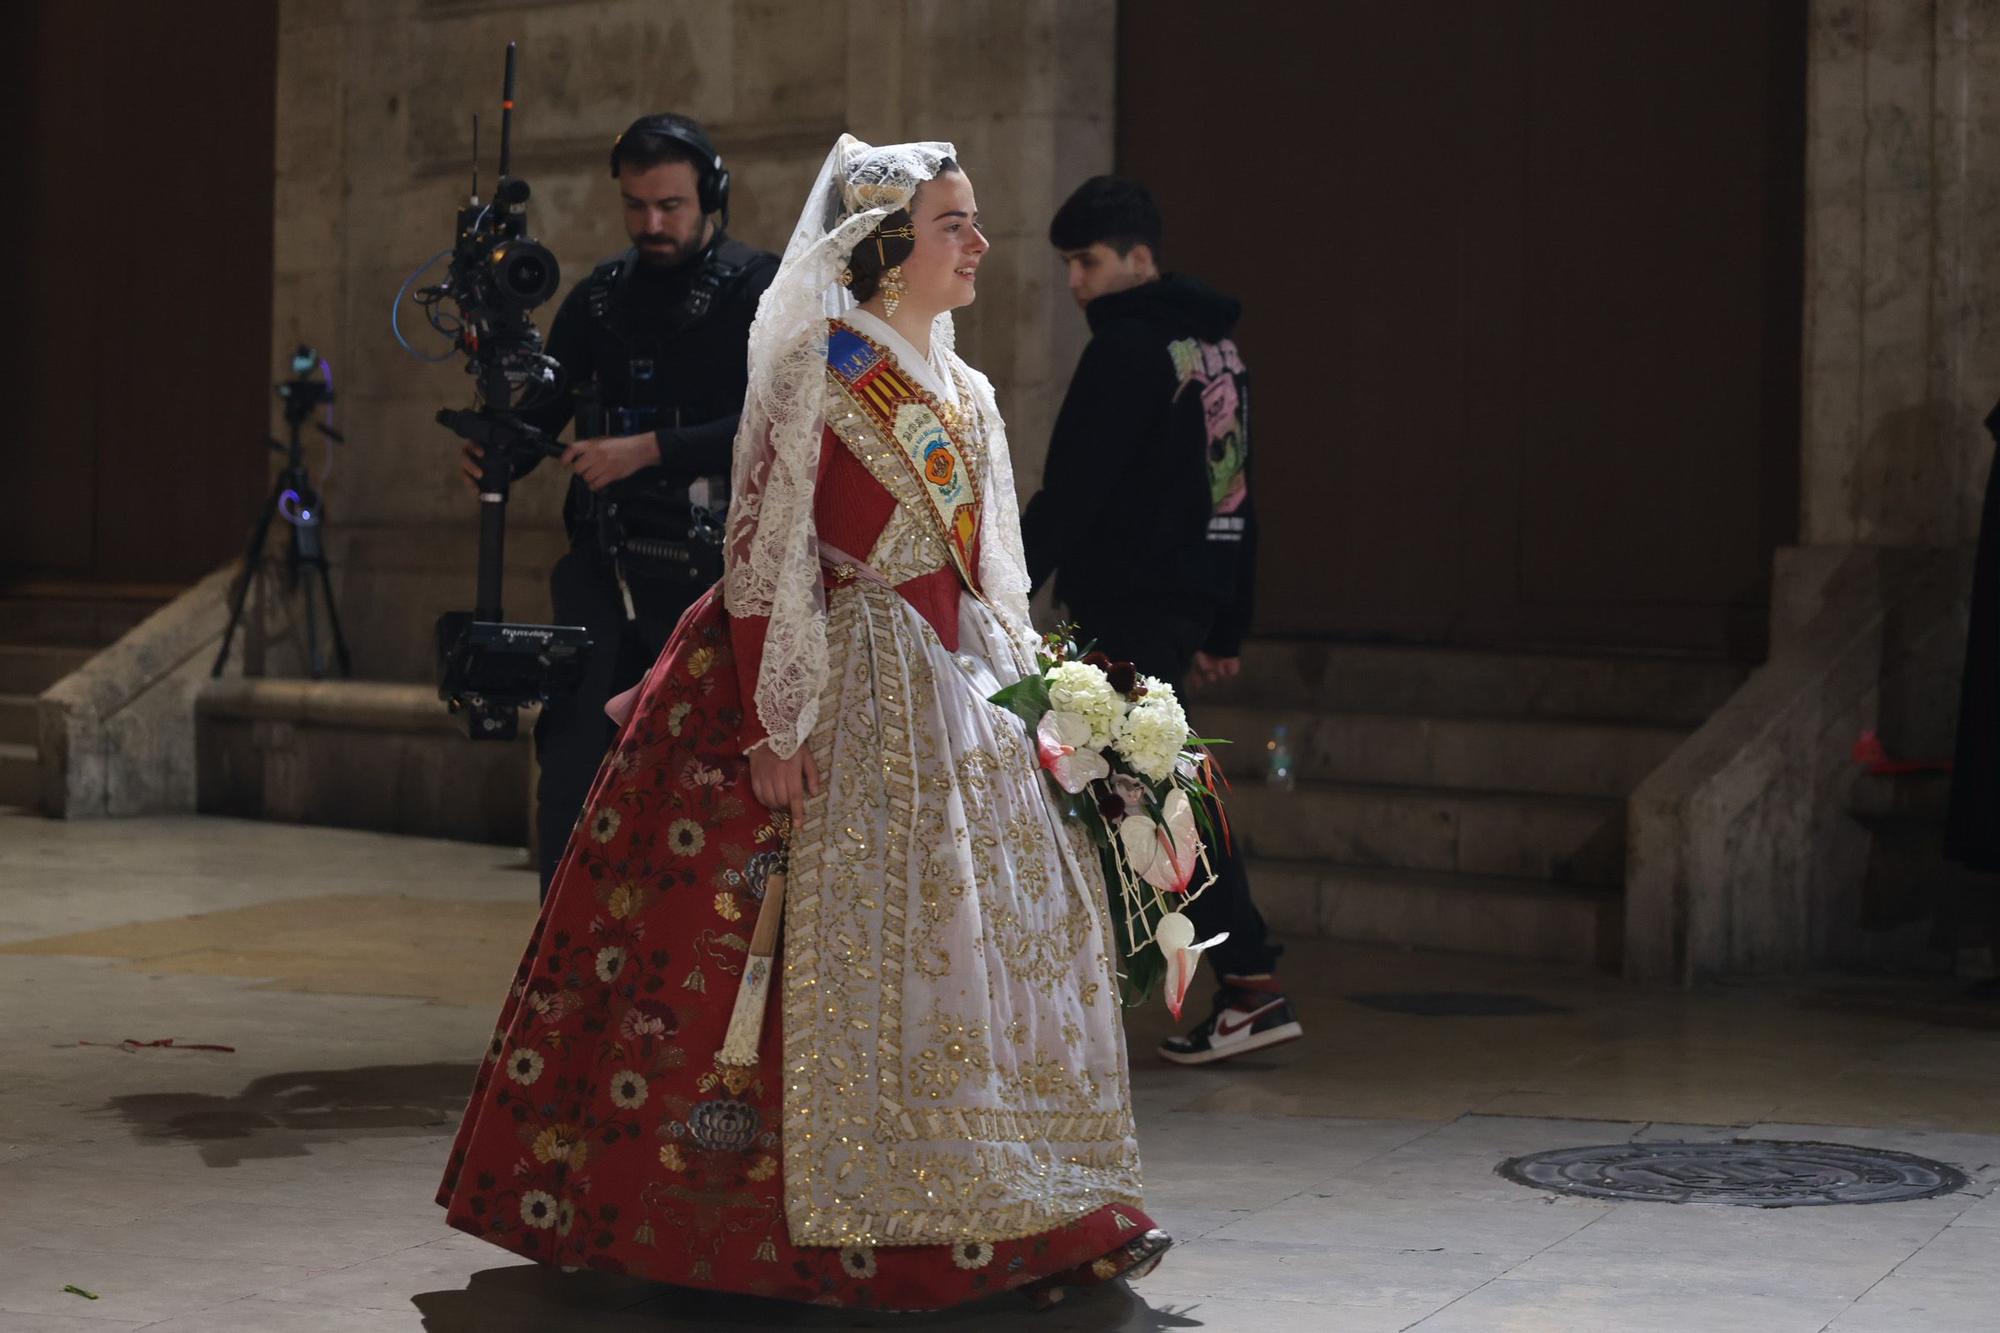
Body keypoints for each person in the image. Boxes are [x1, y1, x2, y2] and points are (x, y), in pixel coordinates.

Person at [437, 136, 1168, 1311]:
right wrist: (775, 727)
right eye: (952, 225)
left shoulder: (966, 389)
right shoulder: (816, 372)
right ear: (884, 249)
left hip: (951, 692)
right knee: (765, 971)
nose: (979, 243)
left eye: (973, 222)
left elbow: (990, 574)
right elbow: (762, 554)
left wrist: (1048, 704)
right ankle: (784, 1228)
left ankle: (1039, 1200)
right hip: (824, 677)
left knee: (991, 958)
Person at [1021, 175, 1302, 1066]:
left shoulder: (1128, 351)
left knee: (1159, 800)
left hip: (1126, 608)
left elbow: (1072, 489)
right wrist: (1225, 620)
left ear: (1140, 259)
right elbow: (1236, 493)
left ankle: (1248, 982)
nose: (1077, 282)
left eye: (1089, 262)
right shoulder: (1217, 351)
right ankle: (1244, 981)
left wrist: (1003, 582)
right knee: (1160, 792)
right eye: (1068, 263)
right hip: (1176, 605)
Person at [458, 113, 779, 893]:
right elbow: (546, 409)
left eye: (670, 205)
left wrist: (649, 451)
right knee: (571, 760)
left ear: (711, 195)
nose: (653, 223)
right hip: (605, 564)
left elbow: (778, 420)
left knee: (703, 773)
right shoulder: (600, 296)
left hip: (716, 572)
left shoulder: (757, 287)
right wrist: (501, 438)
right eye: (636, 205)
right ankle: (560, 966)